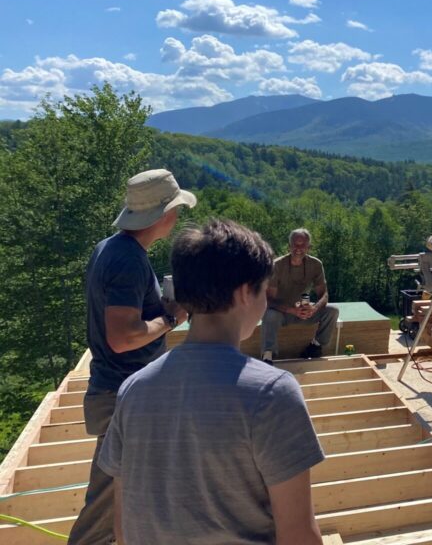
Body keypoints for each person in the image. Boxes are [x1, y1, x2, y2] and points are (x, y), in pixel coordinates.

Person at [97, 219, 324, 545]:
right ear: (246, 292)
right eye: (263, 289)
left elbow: (123, 529)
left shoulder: (134, 389)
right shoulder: (272, 394)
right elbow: (299, 536)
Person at [68, 169, 196, 545]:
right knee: (104, 510)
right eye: (175, 209)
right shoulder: (128, 261)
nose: (176, 218)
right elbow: (123, 337)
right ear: (162, 215)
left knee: (123, 496)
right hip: (123, 396)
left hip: (117, 391)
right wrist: (171, 317)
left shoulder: (111, 248)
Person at [260, 228, 339, 362]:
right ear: (289, 245)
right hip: (281, 313)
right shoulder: (277, 265)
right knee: (270, 315)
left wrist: (313, 308)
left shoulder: (315, 264)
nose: (299, 248)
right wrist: (291, 310)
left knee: (332, 311)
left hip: (302, 311)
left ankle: (315, 346)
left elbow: (324, 294)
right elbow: (269, 300)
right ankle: (268, 356)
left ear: (309, 247)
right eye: (295, 244)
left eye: (303, 244)